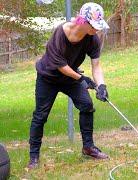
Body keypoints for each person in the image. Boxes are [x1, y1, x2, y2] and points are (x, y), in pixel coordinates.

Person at [27, 2, 110, 169]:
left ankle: (88, 147)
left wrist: (101, 85)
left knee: (86, 105)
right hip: (48, 77)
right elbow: (60, 65)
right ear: (83, 21)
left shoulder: (93, 38)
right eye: (94, 25)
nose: (97, 29)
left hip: (70, 77)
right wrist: (81, 79)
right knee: (40, 115)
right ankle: (34, 156)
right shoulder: (62, 31)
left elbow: (96, 65)